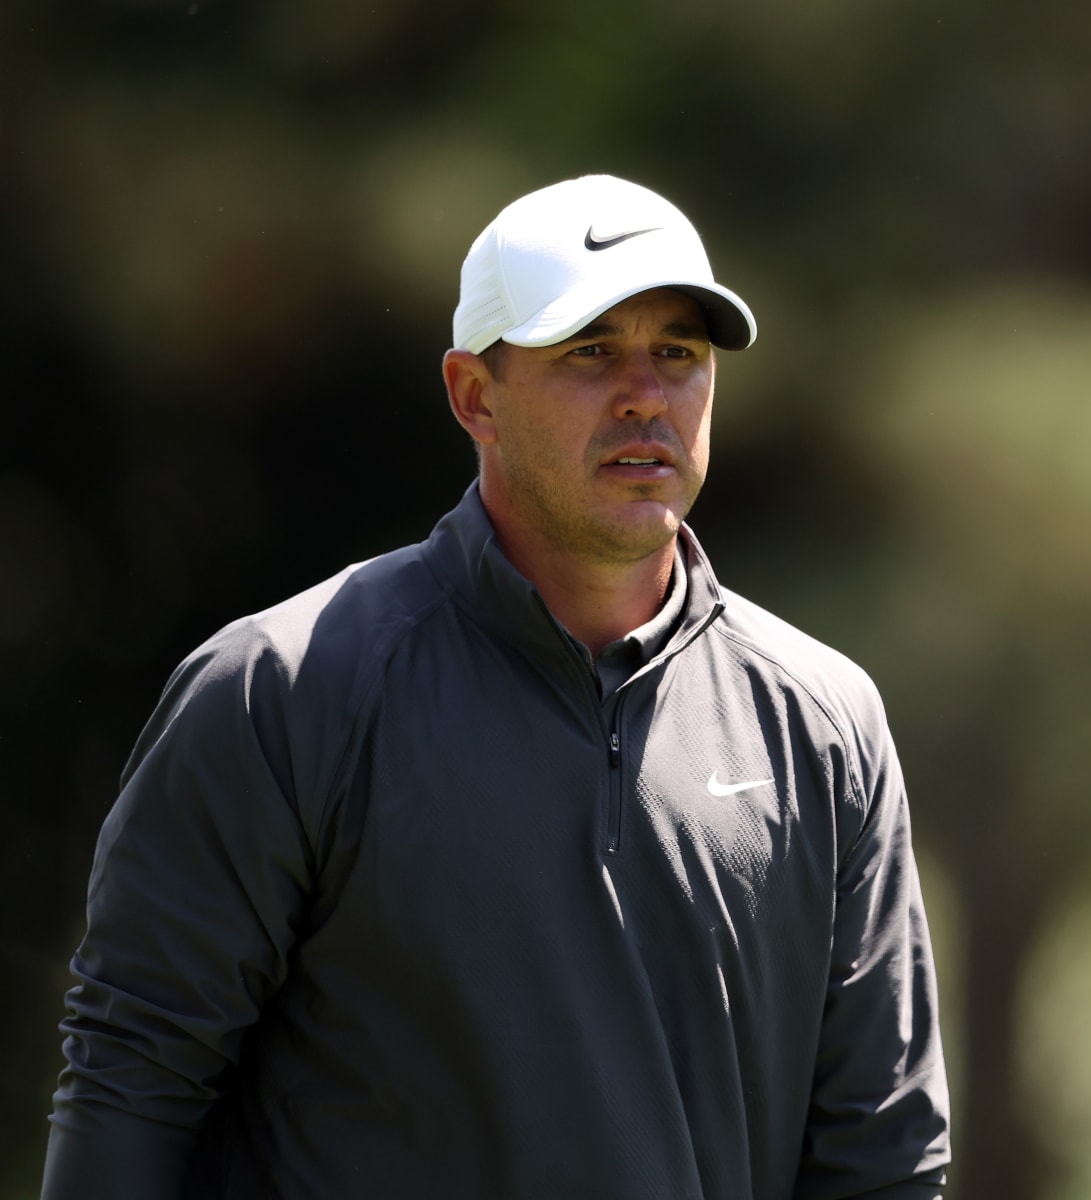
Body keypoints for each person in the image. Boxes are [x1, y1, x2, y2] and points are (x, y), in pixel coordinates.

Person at [43, 175, 951, 1200]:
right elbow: (132, 1087)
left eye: (679, 354)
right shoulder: (280, 692)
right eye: (589, 351)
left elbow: (880, 1152)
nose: (645, 393)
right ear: (474, 395)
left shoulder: (823, 721)